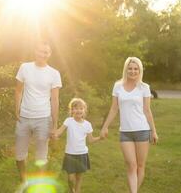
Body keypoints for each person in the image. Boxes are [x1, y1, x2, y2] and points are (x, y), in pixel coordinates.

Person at [100, 57, 159, 193]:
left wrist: (153, 131)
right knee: (131, 165)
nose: (133, 71)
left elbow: (147, 110)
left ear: (140, 70)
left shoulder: (144, 88)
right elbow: (114, 108)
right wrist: (105, 126)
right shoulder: (118, 86)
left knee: (140, 165)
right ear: (126, 69)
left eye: (136, 68)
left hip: (142, 130)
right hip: (125, 132)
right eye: (130, 68)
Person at [15, 41, 62, 182]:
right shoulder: (25, 67)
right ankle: (24, 180)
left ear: (50, 54)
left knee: (41, 156)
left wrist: (54, 125)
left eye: (46, 52)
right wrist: (16, 110)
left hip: (43, 118)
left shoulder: (54, 73)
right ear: (35, 51)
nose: (43, 54)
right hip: (24, 117)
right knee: (19, 155)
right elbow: (18, 91)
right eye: (41, 51)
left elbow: (55, 100)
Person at [55, 98, 101, 193]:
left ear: (84, 110)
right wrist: (54, 134)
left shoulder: (87, 124)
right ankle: (72, 190)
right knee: (71, 178)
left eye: (81, 108)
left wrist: (100, 138)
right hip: (70, 154)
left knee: (79, 177)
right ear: (71, 110)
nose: (78, 110)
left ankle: (78, 191)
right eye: (75, 108)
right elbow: (59, 132)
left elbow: (91, 140)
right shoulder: (68, 121)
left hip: (82, 154)